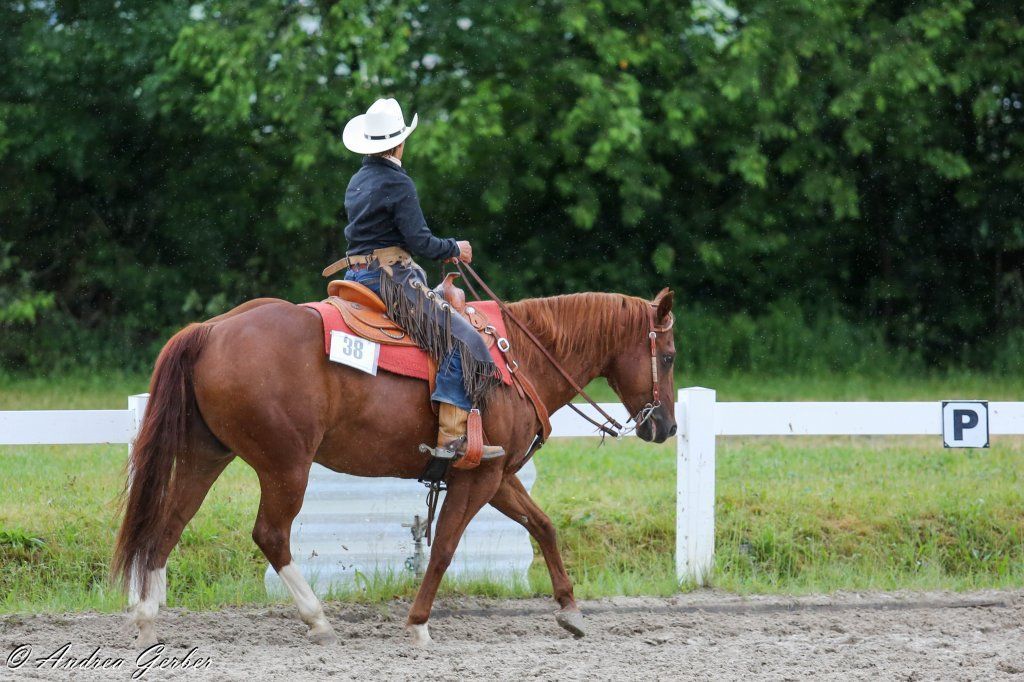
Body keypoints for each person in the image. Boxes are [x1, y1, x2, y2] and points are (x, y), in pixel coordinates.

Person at [338, 97, 503, 462]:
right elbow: (420, 242)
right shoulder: (398, 182)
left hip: (355, 275)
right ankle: (452, 437)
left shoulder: (357, 180)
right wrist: (454, 248)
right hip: (390, 281)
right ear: (399, 143)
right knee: (464, 338)